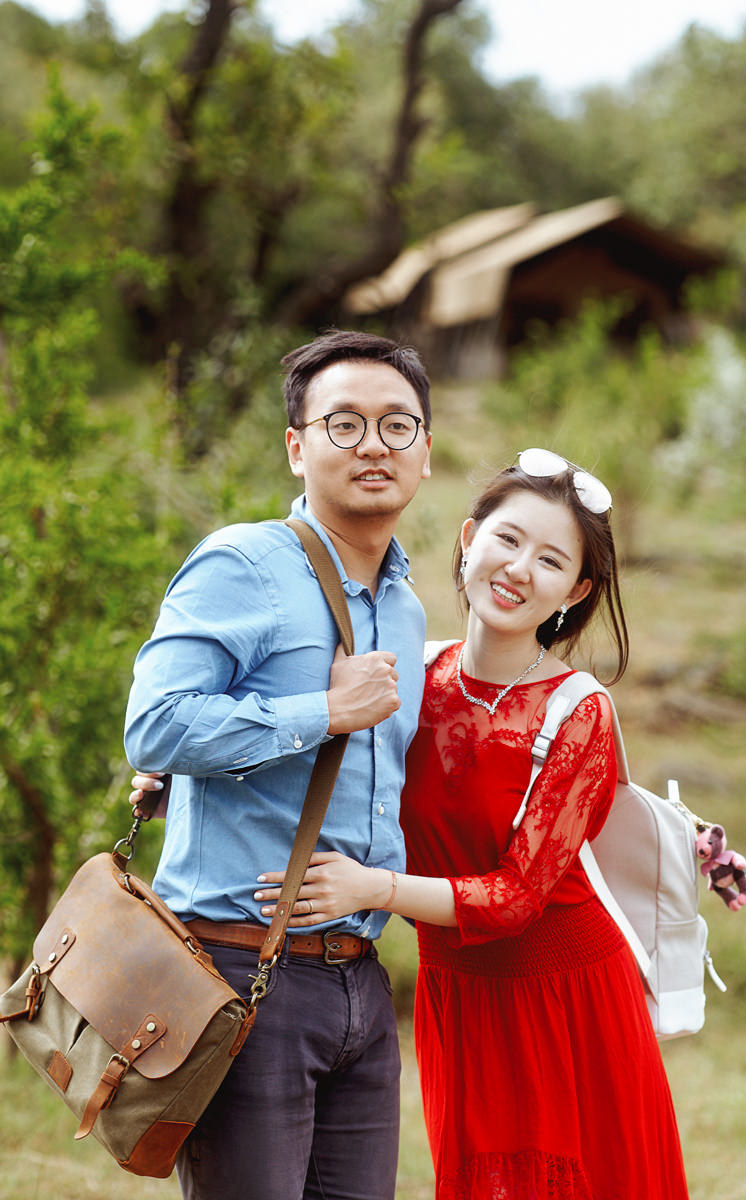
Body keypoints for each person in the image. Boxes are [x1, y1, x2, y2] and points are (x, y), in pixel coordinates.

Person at [253, 449, 691, 1199]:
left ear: (574, 590)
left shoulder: (578, 708)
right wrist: (180, 776)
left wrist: (378, 888)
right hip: (459, 992)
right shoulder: (410, 678)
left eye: (551, 560)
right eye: (508, 539)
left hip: (565, 996)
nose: (520, 568)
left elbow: (518, 897)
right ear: (467, 539)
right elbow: (321, 775)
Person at [124, 329, 433, 1200]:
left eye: (397, 425)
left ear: (427, 451)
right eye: (344, 424)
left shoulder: (405, 609)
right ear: (297, 447)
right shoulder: (245, 563)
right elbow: (153, 725)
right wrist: (325, 711)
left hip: (361, 986)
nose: (374, 444)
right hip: (241, 973)